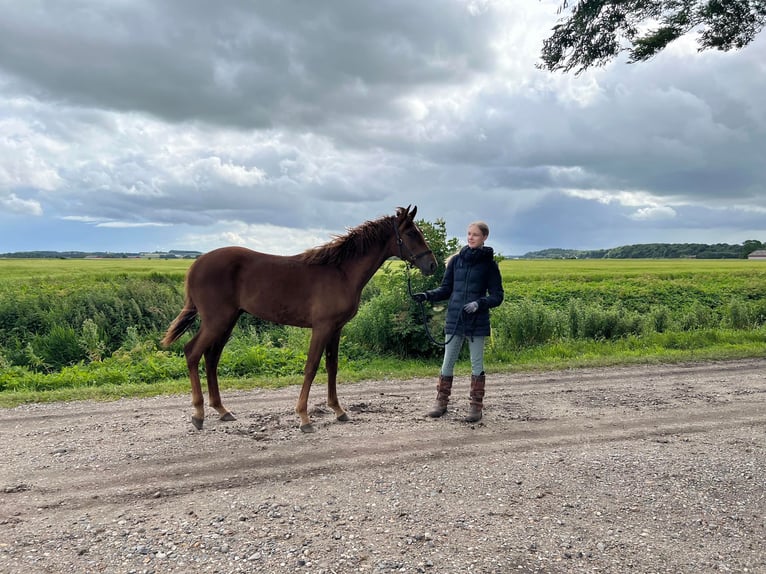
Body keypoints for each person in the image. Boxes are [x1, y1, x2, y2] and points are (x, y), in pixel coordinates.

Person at [413, 221, 504, 423]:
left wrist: (479, 304)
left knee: (476, 364)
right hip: (454, 319)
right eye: (469, 234)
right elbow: (446, 289)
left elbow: (498, 296)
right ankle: (441, 403)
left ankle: (476, 407)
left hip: (476, 321)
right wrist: (427, 296)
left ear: (484, 238)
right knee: (447, 363)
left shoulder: (489, 265)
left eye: (476, 235)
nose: (471, 237)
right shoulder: (456, 261)